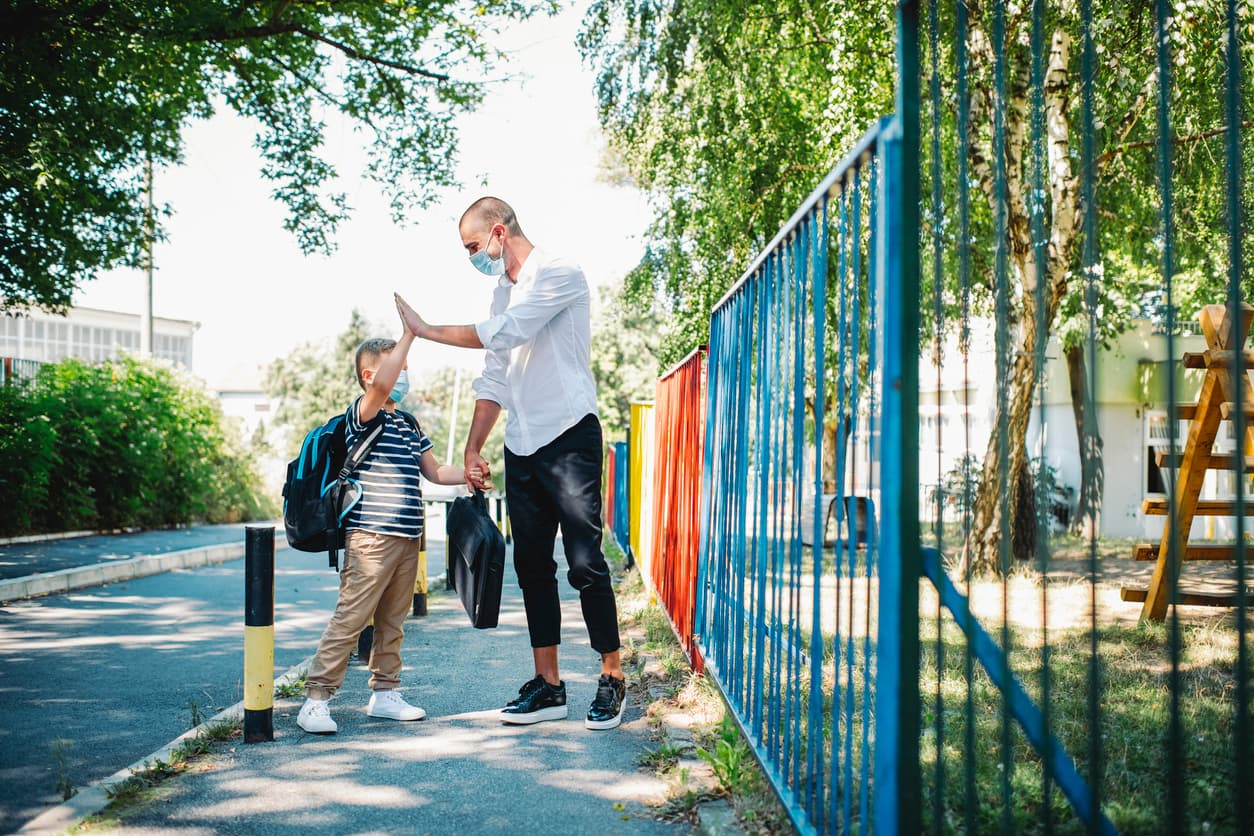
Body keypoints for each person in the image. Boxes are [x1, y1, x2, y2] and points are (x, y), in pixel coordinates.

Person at [395, 196, 627, 731]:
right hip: (521, 443)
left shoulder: (559, 274)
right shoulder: (501, 292)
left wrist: (428, 331)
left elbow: (510, 333)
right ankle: (549, 687)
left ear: (499, 232)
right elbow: (495, 375)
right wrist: (475, 447)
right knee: (531, 567)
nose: (472, 257)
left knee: (585, 562)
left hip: (569, 434)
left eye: (474, 247)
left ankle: (612, 675)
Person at [297, 321, 469, 734]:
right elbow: (378, 390)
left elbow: (434, 472)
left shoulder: (408, 424)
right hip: (370, 538)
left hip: (408, 537)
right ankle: (316, 700)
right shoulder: (363, 414)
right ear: (371, 376)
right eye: (398, 366)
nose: (404, 375)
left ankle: (385, 693)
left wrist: (470, 473)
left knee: (393, 622)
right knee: (351, 618)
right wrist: (410, 334)